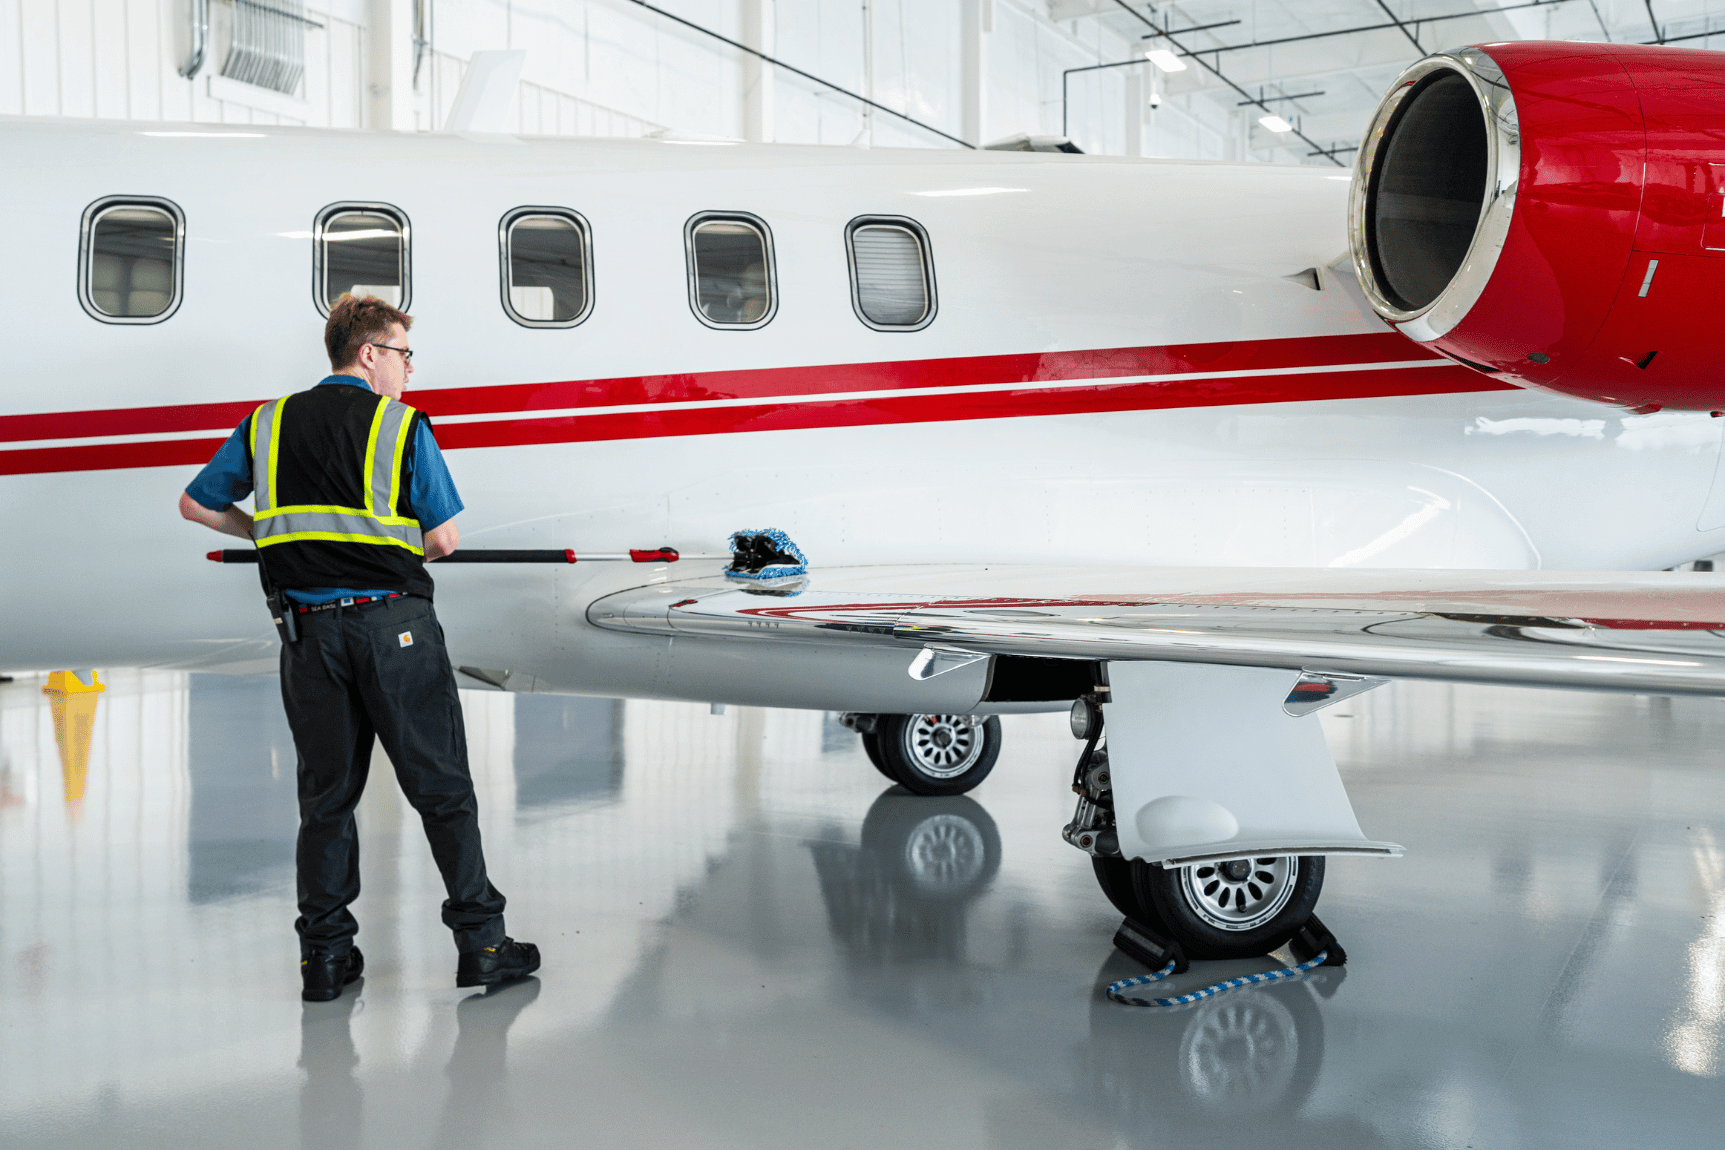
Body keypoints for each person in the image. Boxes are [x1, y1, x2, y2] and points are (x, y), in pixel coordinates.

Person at [179, 294, 539, 1001]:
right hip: (392, 631)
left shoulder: (267, 422)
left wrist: (268, 535)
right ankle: (483, 944)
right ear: (369, 353)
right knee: (440, 791)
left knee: (326, 801)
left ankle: (326, 961)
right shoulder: (399, 425)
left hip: (307, 639)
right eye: (404, 354)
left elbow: (195, 502)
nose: (409, 370)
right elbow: (441, 539)